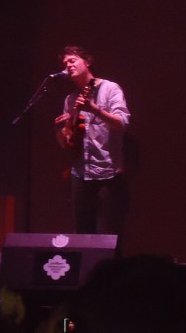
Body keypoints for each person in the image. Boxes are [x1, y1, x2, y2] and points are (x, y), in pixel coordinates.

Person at [53, 46, 131, 240]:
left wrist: (94, 109)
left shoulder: (110, 88)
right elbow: (67, 144)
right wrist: (61, 130)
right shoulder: (70, 99)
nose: (68, 65)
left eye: (72, 60)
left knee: (107, 237)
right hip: (80, 174)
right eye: (65, 63)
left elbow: (122, 123)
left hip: (108, 173)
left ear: (87, 62)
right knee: (82, 236)